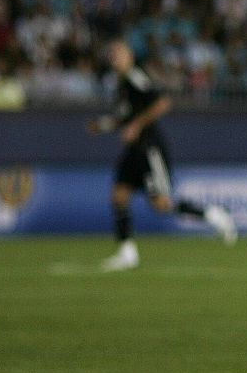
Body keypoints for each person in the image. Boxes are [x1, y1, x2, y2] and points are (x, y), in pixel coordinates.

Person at [89, 40, 236, 272]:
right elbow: (124, 117)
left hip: (149, 149)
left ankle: (214, 215)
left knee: (161, 204)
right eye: (112, 54)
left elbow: (161, 103)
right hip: (134, 150)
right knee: (119, 195)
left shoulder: (136, 78)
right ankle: (127, 254)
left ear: (130, 56)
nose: (114, 57)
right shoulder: (121, 85)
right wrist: (104, 125)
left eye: (119, 53)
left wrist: (136, 126)